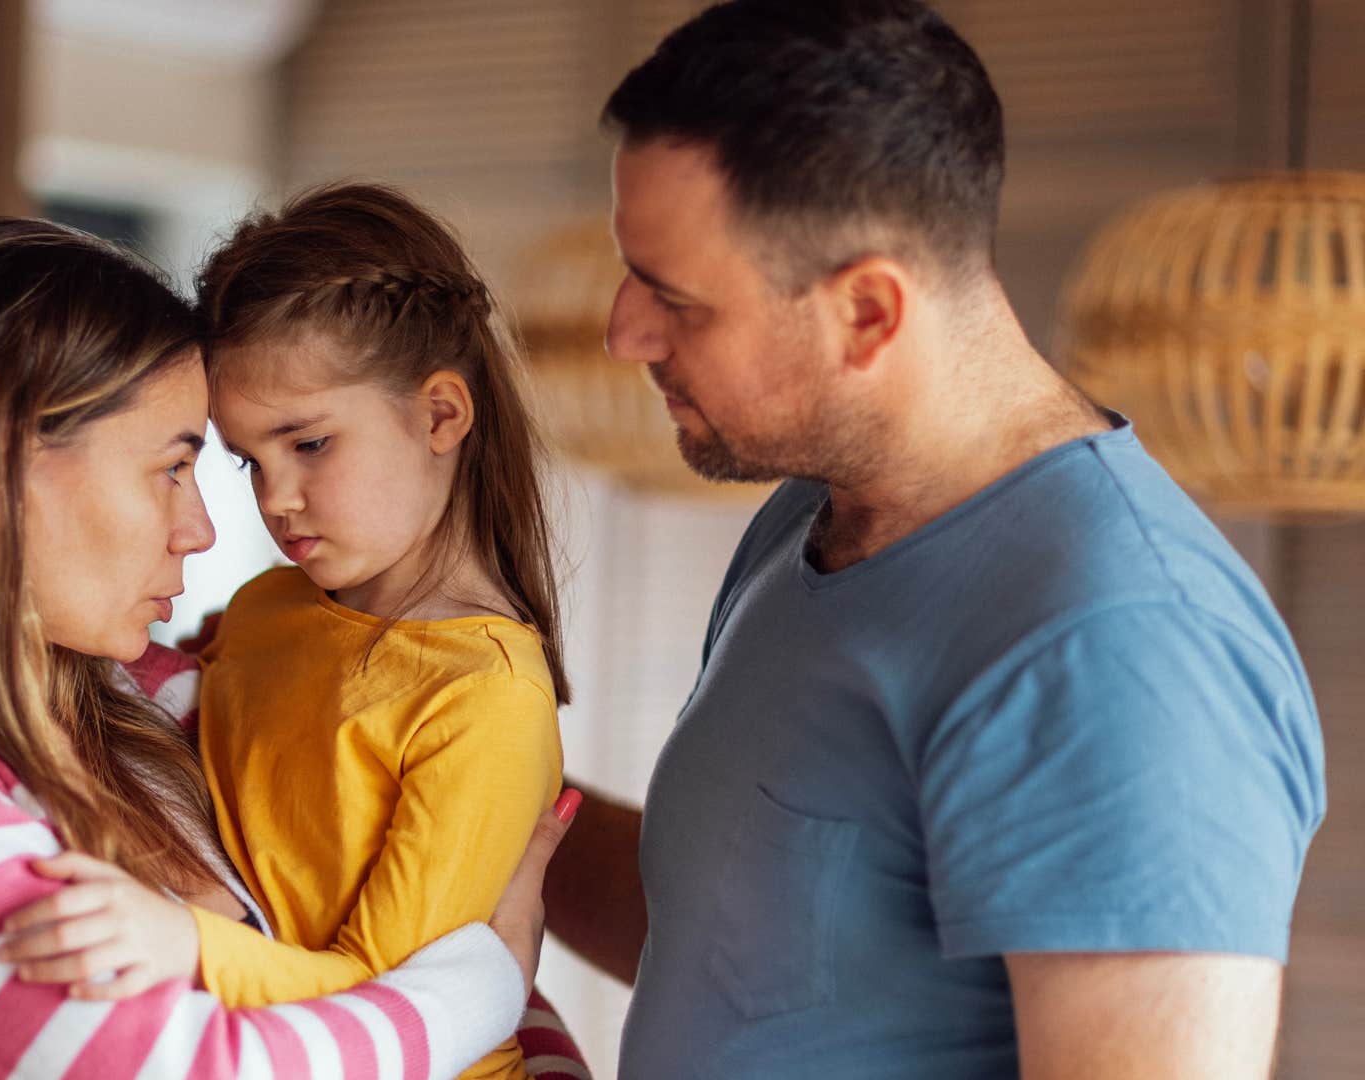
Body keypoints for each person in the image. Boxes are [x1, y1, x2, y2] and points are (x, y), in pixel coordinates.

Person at [539, 1, 1328, 1077]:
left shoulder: (1122, 645)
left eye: (676, 299)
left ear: (868, 312)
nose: (622, 331)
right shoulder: (810, 517)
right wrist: (412, 767)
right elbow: (744, 945)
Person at [0, 216, 579, 1079]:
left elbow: (397, 956)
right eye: (174, 466)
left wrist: (508, 1000)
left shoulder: (155, 704)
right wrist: (489, 981)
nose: (205, 529)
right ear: (4, 466)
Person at [0, 183, 576, 1080]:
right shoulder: (270, 608)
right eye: (247, 460)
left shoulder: (484, 697)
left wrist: (182, 945)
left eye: (308, 444)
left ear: (440, 415)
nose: (275, 501)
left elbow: (382, 1008)